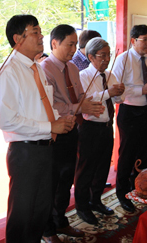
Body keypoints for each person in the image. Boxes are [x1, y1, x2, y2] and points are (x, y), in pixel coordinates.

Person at [0, 14, 75, 242]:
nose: (41, 37)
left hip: (46, 147)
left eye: (40, 32)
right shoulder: (9, 71)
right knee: (23, 213)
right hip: (25, 151)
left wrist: (60, 119)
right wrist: (50, 125)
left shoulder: (37, 68)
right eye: (35, 32)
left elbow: (43, 105)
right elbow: (8, 120)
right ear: (17, 39)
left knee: (40, 210)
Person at [41, 25, 103, 242]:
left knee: (67, 180)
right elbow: (52, 105)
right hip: (53, 134)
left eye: (76, 44)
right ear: (54, 43)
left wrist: (89, 104)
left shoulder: (73, 69)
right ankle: (47, 229)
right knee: (51, 183)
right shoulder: (44, 69)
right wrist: (79, 107)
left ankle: (61, 221)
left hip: (72, 131)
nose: (74, 48)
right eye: (70, 44)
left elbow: (78, 97)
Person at [112, 25, 147, 213]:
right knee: (128, 153)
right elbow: (117, 89)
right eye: (143, 39)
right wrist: (141, 89)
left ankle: (143, 187)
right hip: (130, 111)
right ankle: (123, 193)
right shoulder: (124, 59)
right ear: (133, 41)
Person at [75, 37, 124, 225]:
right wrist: (108, 93)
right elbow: (87, 101)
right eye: (102, 56)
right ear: (90, 57)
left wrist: (118, 92)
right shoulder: (83, 76)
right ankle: (82, 206)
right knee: (86, 169)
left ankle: (96, 200)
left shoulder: (110, 75)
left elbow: (119, 99)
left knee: (102, 167)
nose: (106, 59)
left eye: (109, 55)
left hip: (106, 127)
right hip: (89, 128)